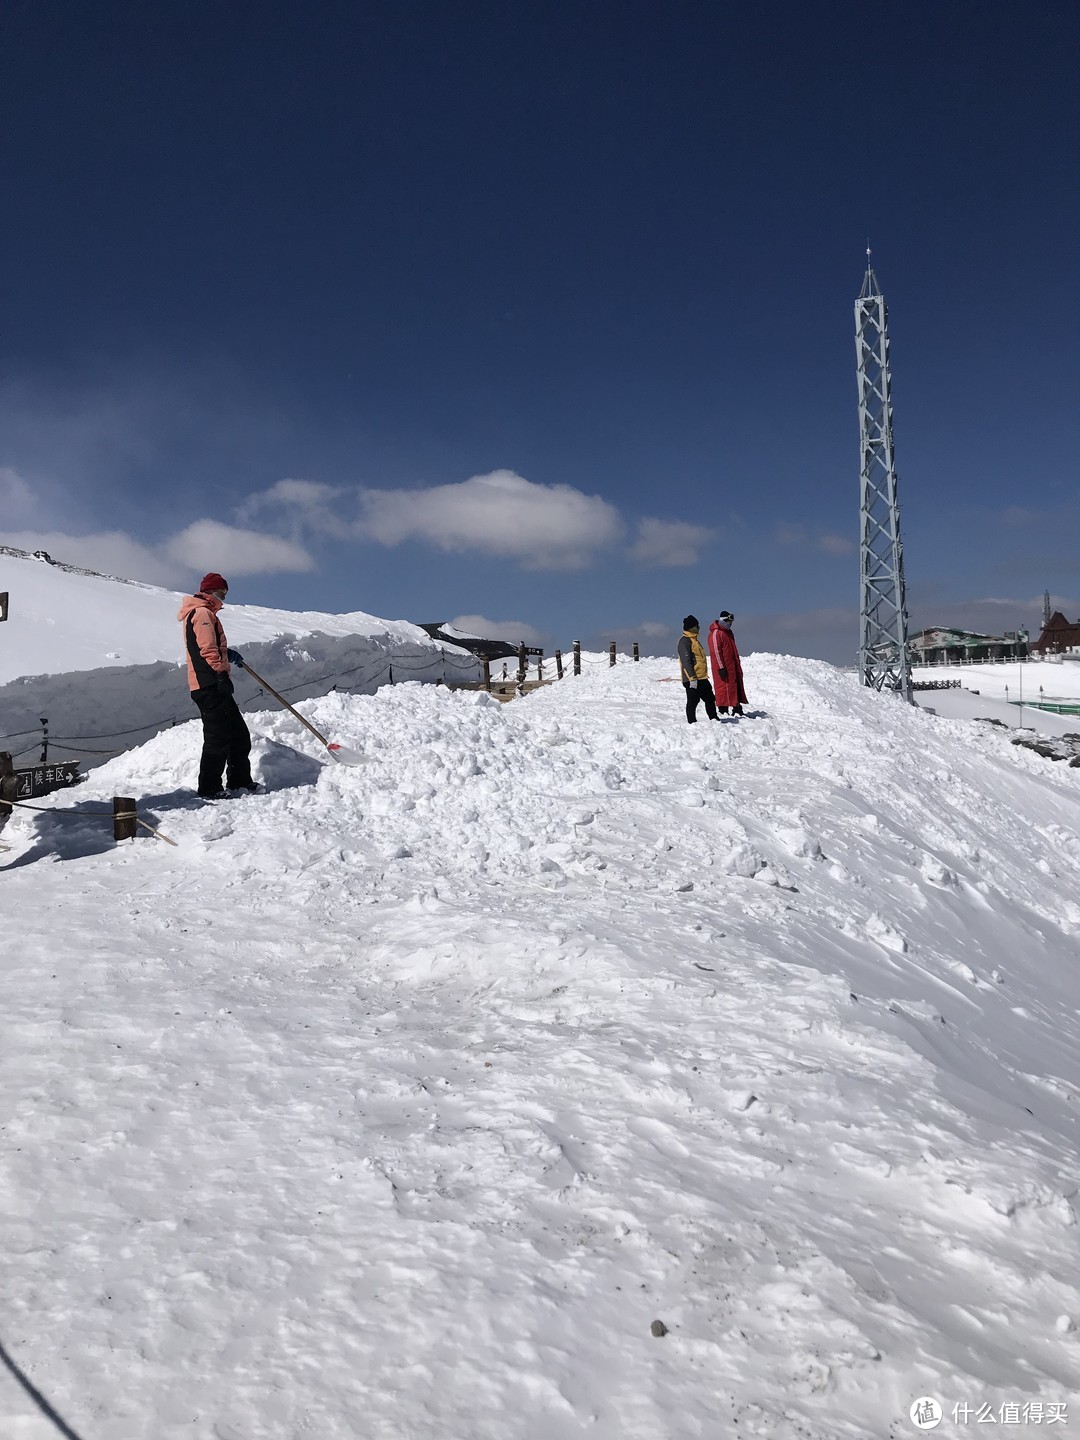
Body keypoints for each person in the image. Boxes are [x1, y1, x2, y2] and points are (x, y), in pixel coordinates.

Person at [178, 572, 256, 798]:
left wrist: (227, 654)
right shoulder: (202, 613)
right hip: (209, 685)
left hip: (213, 683)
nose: (223, 597)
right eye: (221, 592)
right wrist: (220, 674)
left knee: (238, 734)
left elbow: (210, 646)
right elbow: (207, 649)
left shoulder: (204, 613)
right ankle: (209, 788)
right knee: (218, 737)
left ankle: (239, 781)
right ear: (210, 591)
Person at [677, 615, 718, 723]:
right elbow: (686, 662)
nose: (698, 628)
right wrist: (692, 678)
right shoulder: (684, 641)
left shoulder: (695, 640)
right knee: (693, 701)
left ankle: (714, 718)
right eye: (696, 626)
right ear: (690, 628)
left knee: (710, 698)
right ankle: (692, 722)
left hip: (702, 677)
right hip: (692, 679)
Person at [708, 610, 748, 715]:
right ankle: (723, 710)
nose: (730, 625)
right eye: (729, 622)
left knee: (734, 686)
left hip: (731, 666)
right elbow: (716, 652)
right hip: (723, 668)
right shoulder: (716, 633)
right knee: (723, 688)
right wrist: (721, 667)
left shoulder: (728, 633)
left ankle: (737, 708)